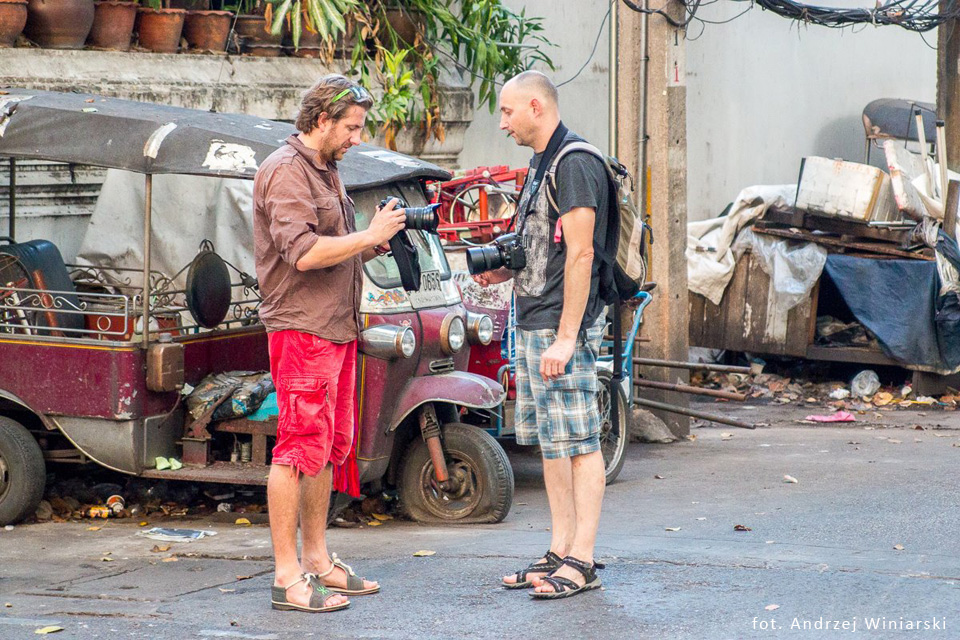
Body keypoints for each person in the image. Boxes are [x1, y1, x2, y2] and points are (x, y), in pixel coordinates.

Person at [253, 74, 405, 613]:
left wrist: (373, 246)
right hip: (301, 329)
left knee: (326, 447)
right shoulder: (286, 172)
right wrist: (366, 236)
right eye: (351, 127)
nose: (357, 138)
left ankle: (316, 560)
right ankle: (286, 575)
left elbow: (333, 249)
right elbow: (302, 253)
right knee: (296, 449)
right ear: (322, 120)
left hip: (336, 328)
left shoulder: (326, 169)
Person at [473, 71, 611, 599]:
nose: (503, 122)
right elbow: (543, 247)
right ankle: (559, 549)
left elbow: (581, 253)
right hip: (535, 319)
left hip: (560, 326)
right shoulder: (542, 163)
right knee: (552, 444)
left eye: (508, 112)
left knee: (579, 441)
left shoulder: (575, 162)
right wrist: (504, 270)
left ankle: (583, 558)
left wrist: (567, 338)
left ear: (536, 106)